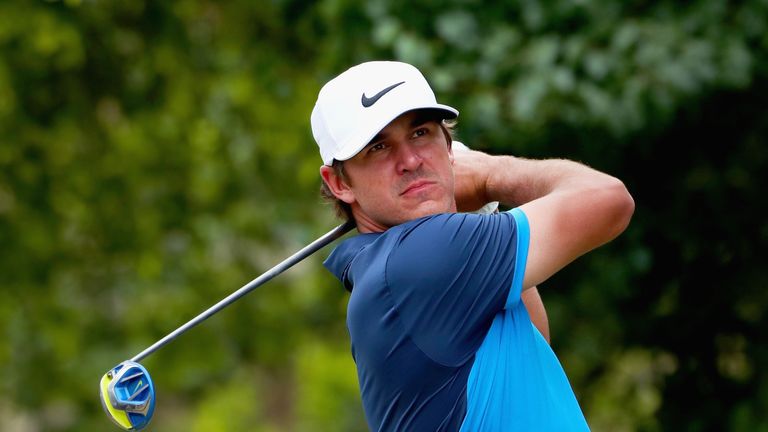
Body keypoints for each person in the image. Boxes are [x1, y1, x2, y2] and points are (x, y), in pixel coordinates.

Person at [310, 61, 634, 431]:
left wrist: (481, 206)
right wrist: (488, 174)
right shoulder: (420, 257)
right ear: (338, 182)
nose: (411, 161)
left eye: (420, 133)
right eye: (379, 147)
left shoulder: (389, 270)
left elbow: (533, 341)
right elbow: (609, 200)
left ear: (447, 145)